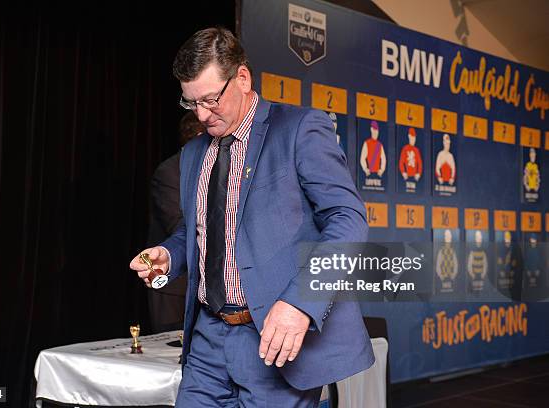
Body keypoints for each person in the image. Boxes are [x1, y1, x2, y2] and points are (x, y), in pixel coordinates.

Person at [130, 27, 373, 407]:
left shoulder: (299, 129)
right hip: (207, 340)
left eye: (211, 99)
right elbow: (198, 232)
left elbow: (348, 218)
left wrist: (300, 303)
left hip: (274, 342)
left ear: (242, 78)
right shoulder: (195, 153)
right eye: (190, 102)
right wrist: (169, 255)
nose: (202, 114)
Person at [146, 112, 205, 333]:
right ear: (198, 136)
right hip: (175, 287)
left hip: (205, 286)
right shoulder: (170, 172)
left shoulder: (217, 170)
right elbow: (180, 226)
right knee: (169, 356)